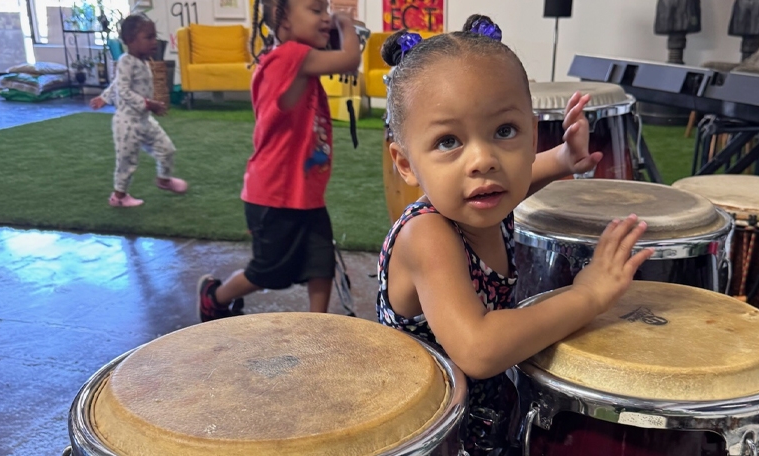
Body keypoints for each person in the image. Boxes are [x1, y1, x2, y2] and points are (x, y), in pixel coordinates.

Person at [375, 15, 654, 454]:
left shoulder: (484, 196)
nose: (484, 160)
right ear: (406, 163)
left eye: (505, 132)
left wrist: (565, 157)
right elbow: (479, 349)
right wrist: (590, 295)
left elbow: (526, 173)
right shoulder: (427, 235)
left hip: (480, 410)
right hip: (433, 431)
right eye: (449, 142)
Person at [196, 0, 362, 322]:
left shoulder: (295, 60)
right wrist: (347, 25)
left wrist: (332, 30)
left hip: (303, 191)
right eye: (316, 11)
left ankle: (319, 326)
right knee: (267, 272)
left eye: (328, 11)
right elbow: (349, 60)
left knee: (321, 263)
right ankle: (214, 296)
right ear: (283, 20)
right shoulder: (290, 56)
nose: (326, 18)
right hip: (274, 194)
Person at [90, 14, 187, 207]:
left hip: (144, 120)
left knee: (166, 149)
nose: (154, 42)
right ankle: (118, 197)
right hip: (127, 123)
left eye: (154, 36)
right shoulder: (126, 61)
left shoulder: (141, 61)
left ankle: (164, 180)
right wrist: (148, 104)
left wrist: (104, 96)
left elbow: (118, 84)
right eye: (148, 38)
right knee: (127, 161)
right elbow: (123, 90)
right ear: (130, 41)